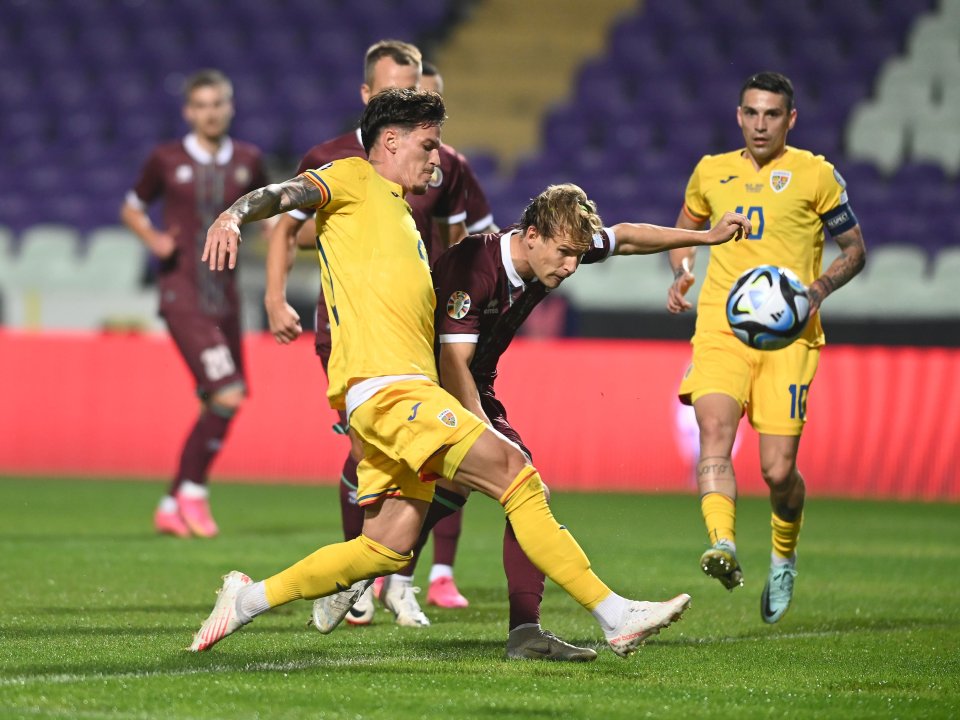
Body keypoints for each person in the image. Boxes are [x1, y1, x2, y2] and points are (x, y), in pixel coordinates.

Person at [191, 88, 691, 659]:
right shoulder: (353, 177)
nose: (436, 158)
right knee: (513, 470)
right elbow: (287, 193)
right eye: (428, 145)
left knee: (387, 548)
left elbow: (617, 239)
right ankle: (613, 613)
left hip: (393, 393)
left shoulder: (399, 210)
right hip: (387, 388)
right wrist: (232, 213)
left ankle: (246, 599)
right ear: (391, 141)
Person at [312, 184, 749, 660]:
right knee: (523, 484)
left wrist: (705, 238)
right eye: (563, 254)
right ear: (532, 234)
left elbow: (623, 237)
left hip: (469, 382)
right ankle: (538, 627)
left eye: (578, 257)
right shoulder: (473, 268)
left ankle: (362, 571)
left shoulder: (558, 248)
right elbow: (453, 363)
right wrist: (483, 434)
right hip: (425, 387)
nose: (569, 267)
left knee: (453, 494)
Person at [265, 41, 475, 624]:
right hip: (354, 330)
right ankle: (360, 577)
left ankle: (393, 575)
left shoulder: (442, 161)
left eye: (413, 86)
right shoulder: (334, 160)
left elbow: (459, 245)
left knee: (435, 457)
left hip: (419, 323)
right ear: (367, 97)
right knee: (376, 452)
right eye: (390, 89)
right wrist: (274, 294)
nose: (405, 99)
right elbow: (290, 229)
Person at [666, 71, 866, 623]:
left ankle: (783, 555)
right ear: (738, 115)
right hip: (720, 329)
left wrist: (815, 291)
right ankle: (722, 544)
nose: (760, 124)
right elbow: (686, 230)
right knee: (715, 433)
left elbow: (855, 250)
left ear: (790, 119)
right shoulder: (711, 171)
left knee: (778, 472)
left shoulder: (816, 174)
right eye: (751, 113)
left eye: (772, 114)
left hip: (790, 340)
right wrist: (683, 270)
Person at [121, 69, 268, 538]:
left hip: (225, 297)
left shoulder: (249, 159)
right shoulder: (165, 159)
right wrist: (154, 238)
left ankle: (170, 502)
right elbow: (131, 205)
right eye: (201, 105)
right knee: (227, 392)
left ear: (230, 107)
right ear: (189, 111)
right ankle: (194, 494)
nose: (210, 112)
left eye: (217, 103)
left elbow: (267, 216)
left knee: (220, 399)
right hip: (181, 292)